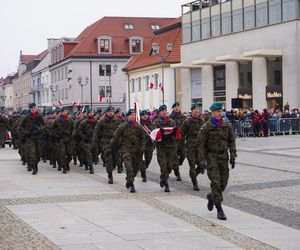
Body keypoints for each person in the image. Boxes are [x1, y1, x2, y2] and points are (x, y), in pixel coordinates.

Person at [198, 102, 237, 220]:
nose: (220, 113)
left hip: (223, 157)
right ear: (212, 112)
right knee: (215, 182)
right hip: (212, 157)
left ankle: (211, 196)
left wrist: (233, 156)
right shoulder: (206, 126)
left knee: (223, 183)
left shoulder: (226, 125)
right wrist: (202, 160)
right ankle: (219, 209)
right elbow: (201, 145)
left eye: (221, 111)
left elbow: (232, 140)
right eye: (218, 111)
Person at [111, 109, 146, 193]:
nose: (132, 116)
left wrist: (142, 148)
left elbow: (144, 138)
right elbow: (115, 137)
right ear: (127, 117)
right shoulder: (122, 126)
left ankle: (129, 180)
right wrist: (112, 148)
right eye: (131, 115)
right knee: (129, 167)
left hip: (137, 151)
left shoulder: (138, 126)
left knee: (135, 168)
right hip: (126, 149)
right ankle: (132, 185)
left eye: (134, 115)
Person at [153, 105, 180, 192]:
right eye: (162, 111)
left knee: (169, 166)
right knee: (163, 166)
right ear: (159, 112)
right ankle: (166, 184)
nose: (164, 112)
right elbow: (154, 135)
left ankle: (163, 178)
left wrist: (175, 133)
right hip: (161, 148)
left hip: (171, 147)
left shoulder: (171, 122)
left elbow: (176, 133)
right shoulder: (156, 122)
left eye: (165, 110)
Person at [92, 106, 121, 184]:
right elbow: (96, 132)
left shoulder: (117, 120)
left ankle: (112, 168)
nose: (111, 113)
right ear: (106, 112)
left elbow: (121, 131)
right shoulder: (102, 121)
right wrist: (94, 143)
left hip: (115, 142)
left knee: (115, 159)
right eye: (109, 111)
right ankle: (110, 175)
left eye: (112, 111)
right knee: (108, 158)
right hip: (105, 142)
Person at [181, 103, 205, 191]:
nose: (196, 111)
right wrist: (181, 145)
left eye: (198, 109)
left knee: (202, 164)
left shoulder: (202, 121)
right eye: (194, 109)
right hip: (191, 146)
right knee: (192, 165)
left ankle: (193, 175)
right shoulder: (187, 121)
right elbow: (182, 134)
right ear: (192, 111)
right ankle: (195, 182)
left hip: (200, 147)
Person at [18, 103, 45, 175]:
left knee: (39, 154)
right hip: (30, 138)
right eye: (32, 108)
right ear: (30, 109)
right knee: (32, 153)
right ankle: (34, 167)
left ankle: (35, 163)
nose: (33, 109)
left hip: (38, 137)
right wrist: (26, 132)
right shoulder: (26, 117)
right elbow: (20, 127)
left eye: (34, 108)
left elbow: (45, 125)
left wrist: (40, 129)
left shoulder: (39, 116)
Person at [51, 107, 74, 174]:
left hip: (69, 139)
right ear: (61, 112)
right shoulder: (57, 120)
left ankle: (67, 163)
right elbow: (51, 128)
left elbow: (74, 128)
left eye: (65, 111)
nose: (64, 113)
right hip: (61, 139)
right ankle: (64, 167)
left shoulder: (70, 120)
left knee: (70, 154)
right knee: (62, 153)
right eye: (63, 111)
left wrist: (72, 134)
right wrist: (56, 135)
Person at [168, 102, 186, 181]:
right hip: (173, 141)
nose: (177, 108)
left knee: (183, 155)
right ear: (173, 108)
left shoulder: (183, 117)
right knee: (175, 157)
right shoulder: (170, 118)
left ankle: (175, 165)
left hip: (181, 141)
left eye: (178, 106)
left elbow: (186, 128)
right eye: (175, 107)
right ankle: (177, 173)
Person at [77, 109, 98, 174]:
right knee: (89, 153)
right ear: (88, 114)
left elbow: (99, 129)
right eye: (90, 113)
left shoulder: (96, 121)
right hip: (87, 140)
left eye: (92, 112)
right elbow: (79, 130)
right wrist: (84, 136)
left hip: (94, 140)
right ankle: (90, 167)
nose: (91, 114)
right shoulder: (84, 122)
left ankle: (87, 162)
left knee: (96, 153)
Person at [139, 109, 155, 182]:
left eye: (146, 115)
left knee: (148, 159)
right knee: (142, 160)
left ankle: (144, 168)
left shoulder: (151, 124)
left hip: (149, 145)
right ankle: (143, 174)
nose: (145, 116)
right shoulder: (139, 124)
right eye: (143, 115)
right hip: (141, 145)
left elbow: (154, 133)